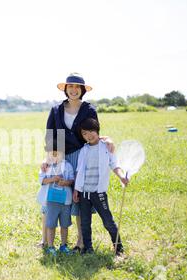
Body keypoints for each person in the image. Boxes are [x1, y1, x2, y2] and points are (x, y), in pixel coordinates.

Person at [40, 73, 115, 252]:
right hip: (60, 157)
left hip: (83, 156)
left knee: (81, 199)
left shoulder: (89, 110)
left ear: (82, 90)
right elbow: (50, 136)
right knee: (51, 196)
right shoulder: (56, 109)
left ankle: (81, 242)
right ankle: (45, 240)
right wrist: (48, 158)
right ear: (65, 89)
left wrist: (108, 138)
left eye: (77, 87)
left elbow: (93, 133)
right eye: (70, 87)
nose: (73, 90)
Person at [73, 118, 129, 256]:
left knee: (108, 221)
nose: (89, 135)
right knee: (85, 223)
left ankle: (118, 248)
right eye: (85, 133)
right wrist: (76, 189)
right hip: (84, 193)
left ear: (97, 131)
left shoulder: (106, 147)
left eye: (91, 131)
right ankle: (88, 248)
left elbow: (114, 165)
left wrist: (122, 176)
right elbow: (79, 171)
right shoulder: (83, 150)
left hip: (98, 193)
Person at [37, 147, 75, 256]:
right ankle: (50, 246)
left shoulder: (67, 166)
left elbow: (72, 179)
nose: (53, 157)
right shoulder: (46, 167)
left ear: (62, 154)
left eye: (56, 154)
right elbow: (42, 180)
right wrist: (53, 179)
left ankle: (63, 245)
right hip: (51, 200)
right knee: (51, 224)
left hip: (65, 201)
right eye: (51, 154)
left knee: (64, 224)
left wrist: (65, 182)